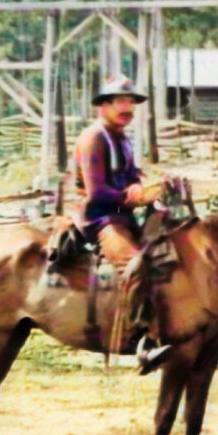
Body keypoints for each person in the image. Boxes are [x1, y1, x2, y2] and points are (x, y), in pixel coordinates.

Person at [74, 78, 171, 369]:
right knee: (137, 265)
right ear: (104, 105)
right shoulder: (93, 138)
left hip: (123, 215)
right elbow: (97, 192)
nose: (127, 108)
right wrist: (129, 197)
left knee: (167, 253)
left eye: (131, 102)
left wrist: (146, 184)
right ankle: (140, 339)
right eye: (120, 101)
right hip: (99, 218)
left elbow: (131, 174)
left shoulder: (122, 139)